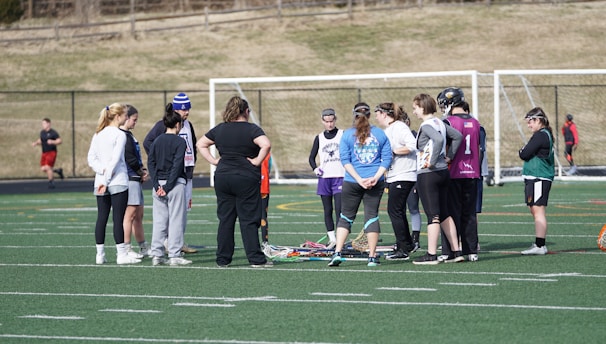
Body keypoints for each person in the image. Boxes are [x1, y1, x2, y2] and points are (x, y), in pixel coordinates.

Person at [196, 95, 272, 268]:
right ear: (246, 112)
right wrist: (256, 161)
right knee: (248, 219)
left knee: (226, 219)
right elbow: (266, 144)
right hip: (245, 177)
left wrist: (214, 161)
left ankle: (223, 259)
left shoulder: (220, 129)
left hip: (223, 177)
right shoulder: (252, 129)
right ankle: (255, 259)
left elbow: (201, 144)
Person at [327, 102, 392, 267]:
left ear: (354, 115)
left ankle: (337, 252)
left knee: (346, 217)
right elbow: (387, 158)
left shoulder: (347, 135)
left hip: (352, 181)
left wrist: (358, 178)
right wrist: (375, 178)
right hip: (374, 182)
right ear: (369, 115)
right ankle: (371, 256)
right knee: (372, 216)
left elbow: (345, 160)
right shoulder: (380, 134)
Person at [410, 94, 463, 265]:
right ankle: (456, 251)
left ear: (423, 107)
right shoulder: (440, 122)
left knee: (432, 215)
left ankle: (431, 254)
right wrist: (449, 157)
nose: (414, 111)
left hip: (429, 174)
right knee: (445, 213)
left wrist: (431, 162)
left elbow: (439, 139)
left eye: (415, 108)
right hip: (443, 173)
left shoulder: (426, 125)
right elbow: (458, 137)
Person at [143, 92, 198, 254]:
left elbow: (192, 145)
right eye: (183, 109)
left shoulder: (188, 125)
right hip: (170, 175)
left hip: (185, 173)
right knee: (169, 213)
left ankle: (178, 241)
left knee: (182, 211)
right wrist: (161, 161)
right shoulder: (163, 125)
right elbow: (148, 142)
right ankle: (168, 243)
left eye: (188, 109)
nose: (186, 112)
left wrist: (191, 165)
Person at [87, 103, 141, 265]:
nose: (126, 118)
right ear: (118, 117)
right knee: (117, 219)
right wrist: (106, 178)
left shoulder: (97, 134)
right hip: (117, 181)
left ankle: (100, 255)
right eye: (125, 115)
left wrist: (102, 174)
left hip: (101, 181)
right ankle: (121, 255)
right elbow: (115, 160)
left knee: (102, 218)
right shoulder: (119, 135)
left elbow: (92, 159)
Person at [437, 88, 481, 263]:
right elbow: (479, 149)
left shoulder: (448, 122)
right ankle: (471, 249)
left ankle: (450, 251)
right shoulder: (476, 122)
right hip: (472, 172)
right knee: (469, 213)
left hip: (454, 172)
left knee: (451, 213)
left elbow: (445, 148)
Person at [374, 102, 417, 261]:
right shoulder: (388, 130)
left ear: (384, 114)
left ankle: (403, 248)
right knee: (396, 210)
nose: (376, 117)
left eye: (377, 113)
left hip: (404, 174)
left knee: (394, 210)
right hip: (394, 175)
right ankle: (407, 244)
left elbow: (412, 145)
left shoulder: (399, 127)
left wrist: (394, 152)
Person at [519, 107, 555, 255]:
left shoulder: (541, 135)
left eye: (530, 121)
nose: (529, 125)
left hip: (539, 177)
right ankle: (539, 244)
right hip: (534, 177)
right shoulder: (541, 135)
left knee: (538, 210)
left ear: (539, 120)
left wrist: (522, 151)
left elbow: (524, 153)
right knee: (534, 209)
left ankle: (540, 245)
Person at [308, 108, 345, 248]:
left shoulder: (342, 134)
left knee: (339, 210)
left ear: (335, 120)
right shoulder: (319, 137)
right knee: (327, 209)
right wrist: (315, 168)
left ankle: (341, 239)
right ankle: (332, 239)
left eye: (332, 121)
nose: (329, 124)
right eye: (327, 121)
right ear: (322, 121)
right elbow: (311, 157)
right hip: (325, 179)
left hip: (340, 177)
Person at [119, 105, 150, 259]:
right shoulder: (121, 136)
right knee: (129, 215)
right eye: (134, 119)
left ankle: (143, 247)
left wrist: (142, 171)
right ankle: (126, 248)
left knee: (138, 215)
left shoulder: (129, 135)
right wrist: (140, 172)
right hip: (130, 178)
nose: (135, 123)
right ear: (126, 117)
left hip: (136, 178)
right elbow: (129, 158)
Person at [32, 118, 64, 189]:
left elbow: (59, 141)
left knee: (48, 167)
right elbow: (41, 140)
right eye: (42, 124)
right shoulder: (42, 132)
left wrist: (53, 142)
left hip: (51, 152)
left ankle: (51, 182)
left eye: (44, 123)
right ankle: (57, 171)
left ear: (48, 124)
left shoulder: (53, 132)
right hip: (44, 152)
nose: (43, 125)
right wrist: (36, 143)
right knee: (43, 169)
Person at [260, 153, 272, 251]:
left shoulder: (245, 149)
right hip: (264, 187)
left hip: (249, 187)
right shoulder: (266, 153)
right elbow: (269, 168)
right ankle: (265, 243)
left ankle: (252, 244)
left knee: (249, 218)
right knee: (263, 216)